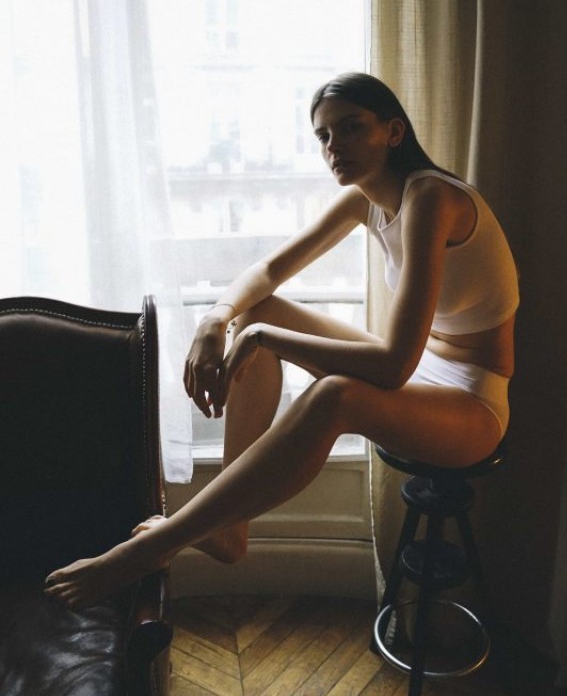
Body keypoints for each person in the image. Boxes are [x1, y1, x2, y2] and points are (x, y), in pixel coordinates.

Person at [45, 72, 519, 607]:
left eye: (351, 128)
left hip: (474, 405)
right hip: (426, 373)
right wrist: (216, 320)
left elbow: (393, 367)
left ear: (393, 132)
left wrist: (265, 339)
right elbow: (270, 271)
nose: (334, 146)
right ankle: (229, 529)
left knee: (332, 393)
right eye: (323, 136)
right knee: (258, 310)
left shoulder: (431, 197)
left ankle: (150, 549)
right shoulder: (366, 200)